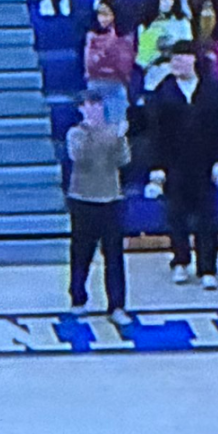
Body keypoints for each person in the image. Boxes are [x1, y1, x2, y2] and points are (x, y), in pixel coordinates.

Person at [147, 42, 218, 288]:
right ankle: (180, 261)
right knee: (177, 217)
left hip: (204, 164)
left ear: (194, 59)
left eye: (183, 58)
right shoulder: (164, 91)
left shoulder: (212, 90)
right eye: (174, 60)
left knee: (207, 219)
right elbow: (156, 133)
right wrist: (158, 167)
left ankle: (207, 268)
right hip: (175, 164)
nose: (178, 63)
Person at [66, 89, 131, 324]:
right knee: (81, 253)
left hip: (111, 199)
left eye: (97, 105)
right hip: (83, 200)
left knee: (114, 256)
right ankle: (78, 298)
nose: (94, 109)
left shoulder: (114, 132)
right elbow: (79, 156)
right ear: (82, 109)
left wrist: (120, 138)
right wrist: (98, 132)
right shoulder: (76, 133)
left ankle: (117, 305)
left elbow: (123, 160)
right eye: (89, 105)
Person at [83, 0, 135, 124]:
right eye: (100, 14)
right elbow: (90, 65)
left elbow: (124, 67)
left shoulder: (126, 38)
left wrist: (112, 44)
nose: (102, 18)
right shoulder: (91, 37)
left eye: (107, 14)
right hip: (95, 85)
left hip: (116, 86)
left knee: (117, 129)